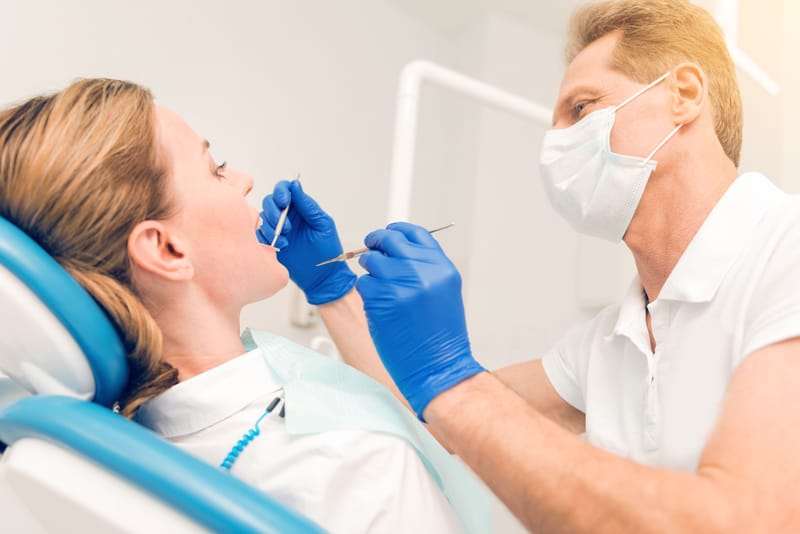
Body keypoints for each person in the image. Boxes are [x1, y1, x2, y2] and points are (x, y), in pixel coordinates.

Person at [263, 1, 800, 532]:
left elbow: (748, 520)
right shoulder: (609, 341)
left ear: (683, 94)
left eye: (581, 109)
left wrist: (453, 379)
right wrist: (331, 286)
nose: (556, 144)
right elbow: (443, 415)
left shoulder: (785, 249)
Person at [0, 78, 490, 534]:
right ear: (167, 250)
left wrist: (331, 287)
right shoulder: (353, 462)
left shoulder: (124, 446)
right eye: (216, 170)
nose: (246, 179)